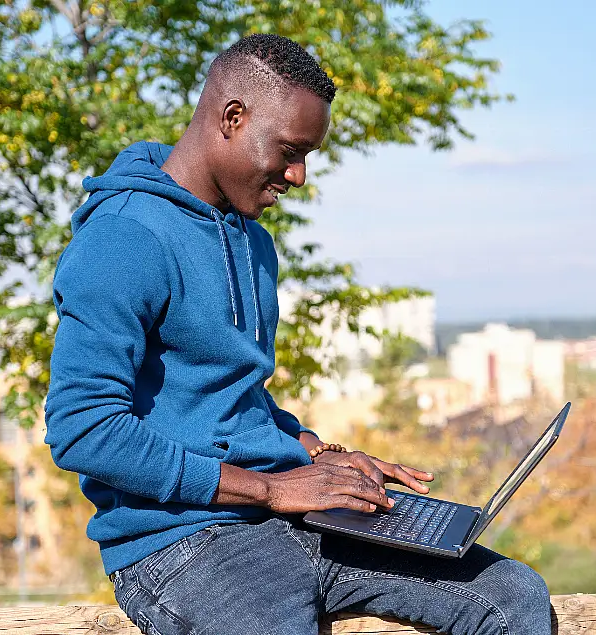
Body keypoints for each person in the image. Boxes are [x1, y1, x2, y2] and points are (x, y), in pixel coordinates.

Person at [45, 33, 550, 635]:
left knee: (511, 594)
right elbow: (83, 431)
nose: (299, 175)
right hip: (180, 545)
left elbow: (227, 394)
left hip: (286, 516)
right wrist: (268, 490)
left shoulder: (253, 239)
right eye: (290, 149)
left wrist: (313, 450)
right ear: (233, 118)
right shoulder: (125, 239)